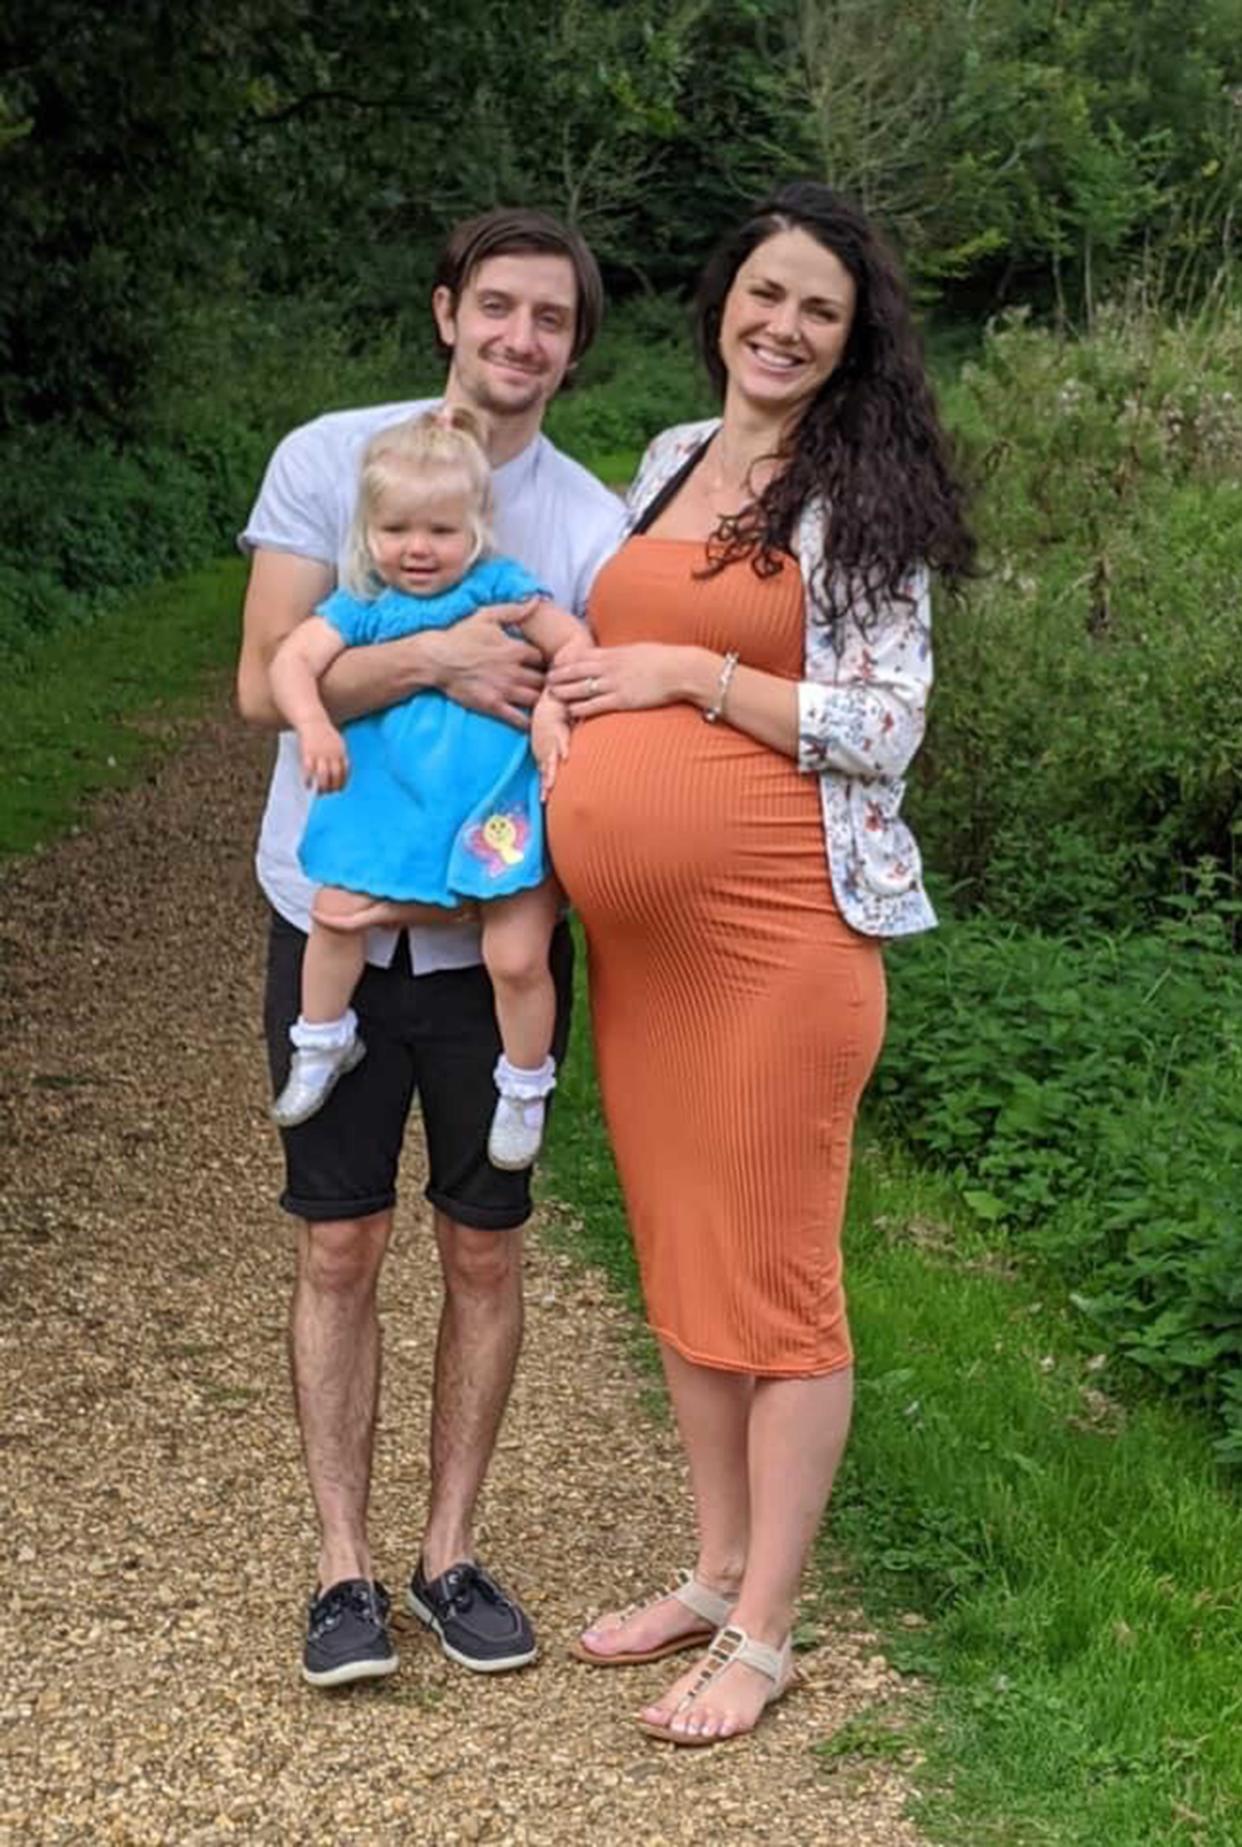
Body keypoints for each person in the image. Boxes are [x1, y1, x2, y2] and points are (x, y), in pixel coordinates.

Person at [545, 180, 973, 1745]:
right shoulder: (666, 460)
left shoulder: (859, 494)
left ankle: (772, 1628)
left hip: (783, 935)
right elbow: (603, 647)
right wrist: (574, 695)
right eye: (765, 293)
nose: (781, 326)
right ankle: (716, 1566)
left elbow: (885, 722)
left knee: (780, 1279)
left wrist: (684, 671)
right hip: (649, 958)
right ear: (723, 296)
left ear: (851, 347)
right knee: (680, 1251)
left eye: (819, 311)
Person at [236, 207, 624, 1688]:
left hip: (487, 934)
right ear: (447, 310)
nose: (521, 338)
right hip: (327, 902)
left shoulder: (586, 523)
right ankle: (341, 1570)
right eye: (500, 307)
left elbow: (588, 703)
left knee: (484, 1245)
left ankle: (447, 1551)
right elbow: (266, 683)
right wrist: (442, 662)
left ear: (572, 352)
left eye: (552, 321)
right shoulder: (330, 457)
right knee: (338, 1237)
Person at [267, 405, 586, 1174]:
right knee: (334, 914)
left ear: (476, 527)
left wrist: (551, 705)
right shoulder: (366, 604)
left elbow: (575, 644)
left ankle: (522, 1082)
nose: (417, 549)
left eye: (441, 531)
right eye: (397, 529)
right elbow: (288, 663)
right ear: (369, 531)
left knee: (515, 953)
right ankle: (323, 1035)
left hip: (488, 808)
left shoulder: (501, 588)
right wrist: (313, 726)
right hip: (394, 803)